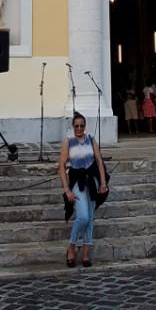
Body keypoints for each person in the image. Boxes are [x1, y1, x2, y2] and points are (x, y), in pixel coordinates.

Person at [59, 112, 108, 268]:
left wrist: (103, 183)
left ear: (85, 126)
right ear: (73, 127)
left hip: (92, 182)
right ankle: (71, 247)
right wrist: (67, 190)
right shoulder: (68, 141)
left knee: (90, 217)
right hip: (77, 182)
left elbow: (99, 161)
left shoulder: (91, 139)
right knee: (83, 217)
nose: (79, 128)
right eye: (76, 126)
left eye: (82, 126)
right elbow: (61, 166)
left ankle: (86, 254)